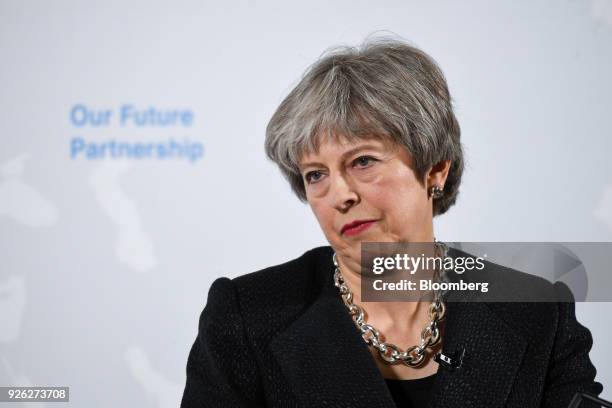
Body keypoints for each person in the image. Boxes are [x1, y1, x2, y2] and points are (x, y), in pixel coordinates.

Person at [180, 37, 603, 407]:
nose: (339, 194)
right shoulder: (246, 317)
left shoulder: (535, 309)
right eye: (316, 175)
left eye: (362, 161)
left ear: (435, 170)